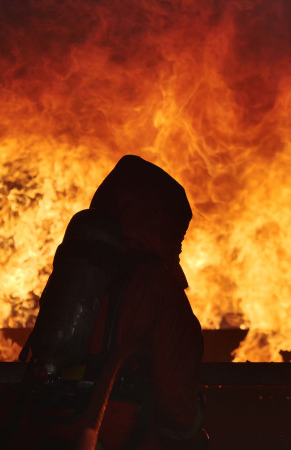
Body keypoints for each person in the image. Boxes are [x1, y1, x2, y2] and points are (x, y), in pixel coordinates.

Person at [83, 155, 207, 449]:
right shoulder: (158, 289)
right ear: (163, 224)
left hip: (54, 427)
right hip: (118, 435)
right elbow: (178, 410)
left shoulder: (82, 274)